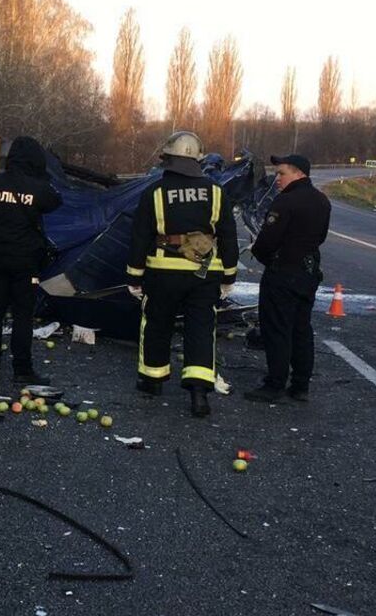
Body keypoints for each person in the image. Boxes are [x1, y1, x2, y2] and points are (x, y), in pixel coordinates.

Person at [125, 131, 239, 418]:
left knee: (157, 324)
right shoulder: (216, 192)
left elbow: (140, 236)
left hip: (164, 271)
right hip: (205, 275)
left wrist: (134, 276)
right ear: (198, 160)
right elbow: (227, 236)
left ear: (169, 158)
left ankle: (152, 381)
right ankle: (199, 393)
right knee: (201, 329)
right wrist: (229, 276)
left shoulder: (154, 192)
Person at [243, 154, 332, 404]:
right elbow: (321, 237)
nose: (277, 179)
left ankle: (275, 384)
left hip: (283, 273)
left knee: (277, 329)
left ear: (298, 173)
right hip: (308, 272)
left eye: (281, 173)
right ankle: (301, 384)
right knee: (301, 328)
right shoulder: (322, 200)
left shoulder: (286, 202)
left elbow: (267, 241)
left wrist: (266, 258)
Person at [0, 136, 61, 383]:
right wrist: (39, 179)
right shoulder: (39, 189)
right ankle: (22, 369)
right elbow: (56, 201)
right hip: (25, 262)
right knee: (23, 316)